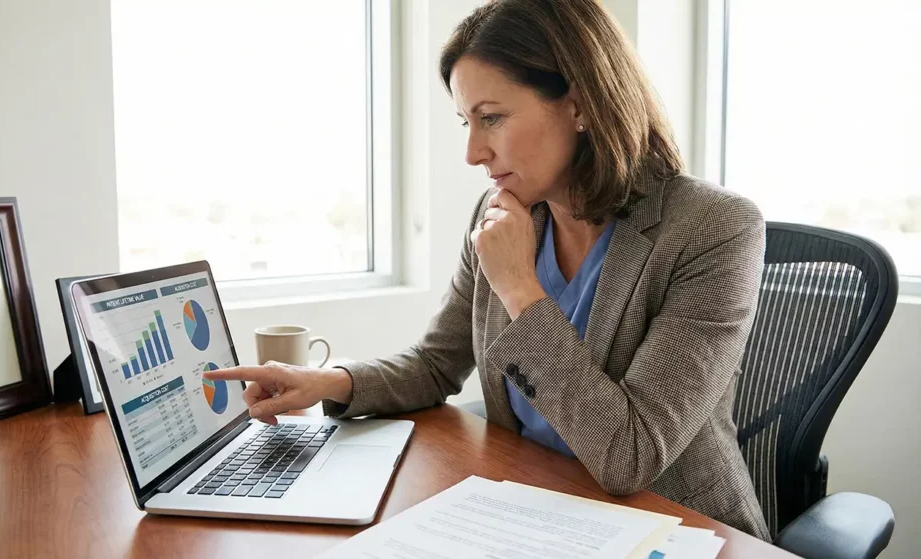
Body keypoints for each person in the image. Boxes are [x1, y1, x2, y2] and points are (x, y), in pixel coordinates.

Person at [205, 0, 770, 540]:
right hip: (535, 505)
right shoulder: (500, 215)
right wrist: (332, 383)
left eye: (492, 118)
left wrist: (520, 288)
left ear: (580, 105)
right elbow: (434, 365)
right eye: (465, 122)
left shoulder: (713, 229)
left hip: (674, 525)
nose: (473, 152)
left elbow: (630, 456)